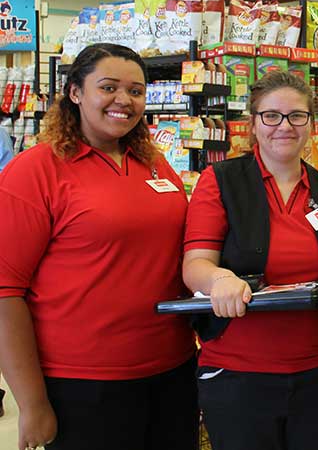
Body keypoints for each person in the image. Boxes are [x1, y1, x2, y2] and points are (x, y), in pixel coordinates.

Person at [0, 43, 197, 450]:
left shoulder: (156, 165)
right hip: (83, 383)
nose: (123, 101)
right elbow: (5, 292)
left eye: (136, 91)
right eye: (108, 87)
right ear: (75, 92)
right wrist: (33, 403)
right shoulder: (35, 171)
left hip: (171, 369)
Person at [182, 70, 318, 450]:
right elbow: (195, 264)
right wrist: (219, 281)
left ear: (311, 123)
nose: (285, 126)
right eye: (271, 116)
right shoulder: (221, 181)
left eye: (297, 116)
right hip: (237, 375)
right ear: (253, 123)